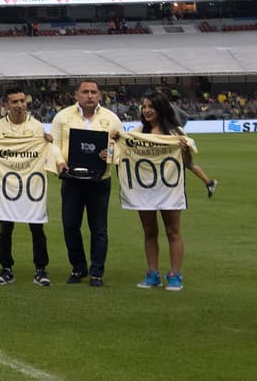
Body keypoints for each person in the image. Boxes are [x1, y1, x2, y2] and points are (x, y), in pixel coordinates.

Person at [112, 91, 198, 292]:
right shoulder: (139, 130)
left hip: (169, 188)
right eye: (144, 106)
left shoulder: (175, 133)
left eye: (151, 106)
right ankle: (152, 273)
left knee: (173, 231)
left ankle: (175, 274)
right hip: (145, 189)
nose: (147, 110)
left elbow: (187, 163)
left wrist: (184, 149)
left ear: (161, 108)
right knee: (149, 232)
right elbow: (123, 151)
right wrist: (116, 139)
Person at [0, 88, 57, 288]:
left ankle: (41, 269)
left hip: (32, 186)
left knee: (37, 227)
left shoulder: (37, 126)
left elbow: (49, 151)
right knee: (5, 229)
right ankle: (6, 269)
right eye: (14, 102)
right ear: (7, 105)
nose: (20, 105)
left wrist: (50, 142)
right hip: (6, 185)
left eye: (22, 100)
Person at [52, 79, 122, 288]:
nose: (89, 95)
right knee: (70, 226)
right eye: (85, 92)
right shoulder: (63, 117)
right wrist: (60, 162)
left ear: (100, 95)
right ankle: (78, 267)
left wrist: (108, 154)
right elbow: (54, 145)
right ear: (76, 94)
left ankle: (97, 272)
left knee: (99, 228)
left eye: (93, 92)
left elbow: (120, 148)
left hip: (100, 180)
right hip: (72, 179)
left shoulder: (111, 118)